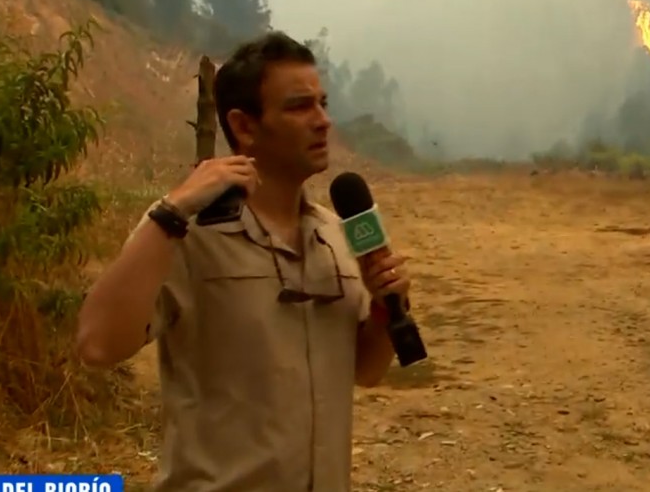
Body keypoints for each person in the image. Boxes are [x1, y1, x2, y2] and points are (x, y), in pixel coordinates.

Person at [76, 31, 412, 492]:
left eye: (323, 104)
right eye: (299, 107)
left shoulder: (336, 235)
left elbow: (366, 371)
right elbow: (97, 346)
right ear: (245, 126)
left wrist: (382, 306)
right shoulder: (185, 234)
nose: (323, 122)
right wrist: (169, 212)